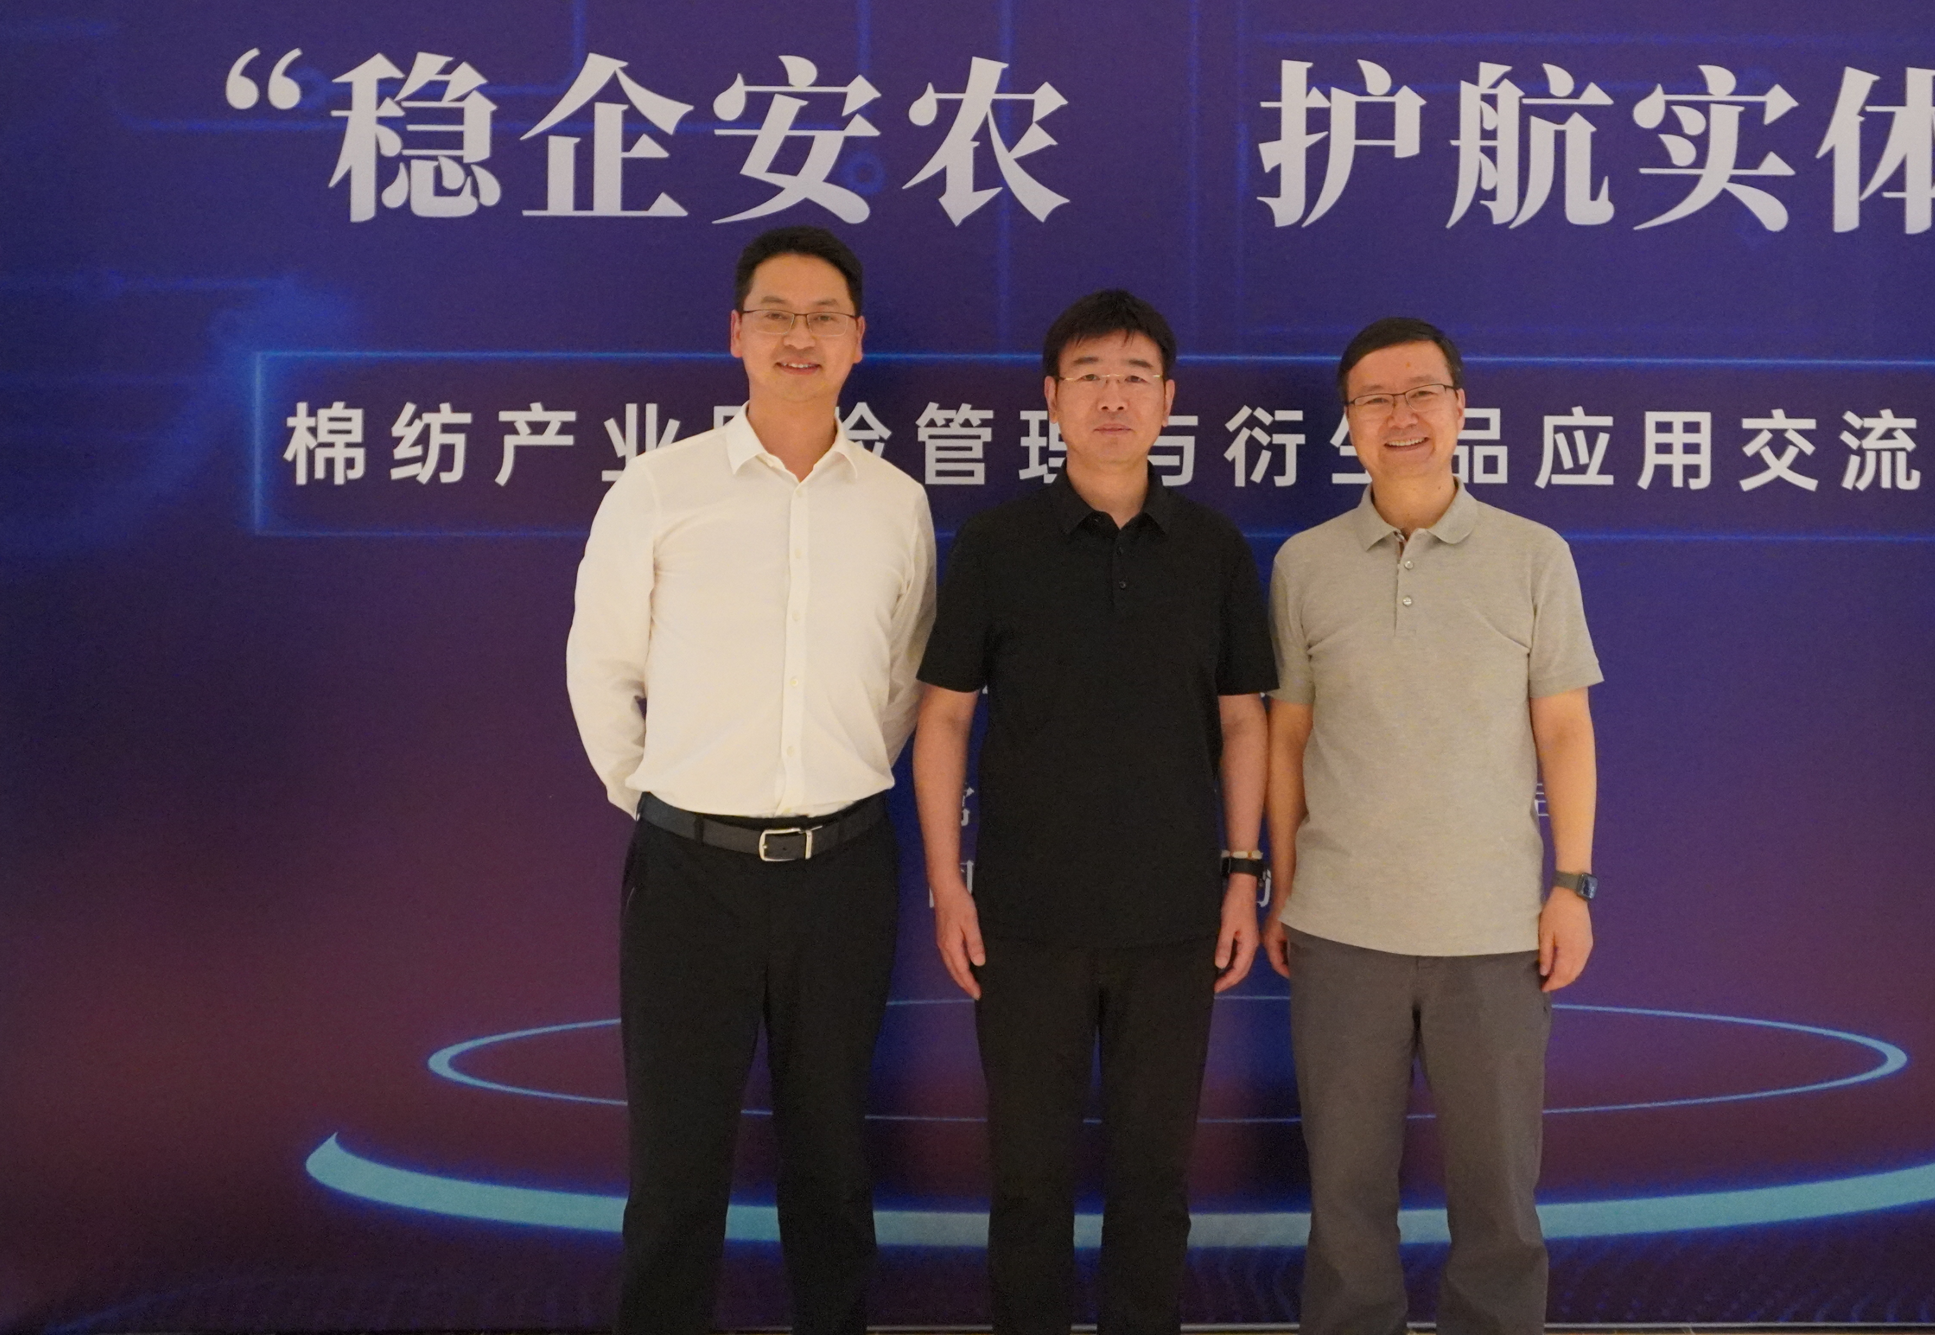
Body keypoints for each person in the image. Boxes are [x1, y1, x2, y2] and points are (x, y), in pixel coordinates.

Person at [566, 225, 937, 1335]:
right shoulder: (661, 486)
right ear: (735, 333)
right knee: (677, 1168)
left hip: (841, 870)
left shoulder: (895, 503)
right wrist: (654, 794)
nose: (798, 337)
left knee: (832, 1162)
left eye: (823, 317)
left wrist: (833, 778)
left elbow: (902, 681)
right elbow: (601, 663)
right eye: (775, 314)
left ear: (858, 340)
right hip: (690, 875)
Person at [910, 289, 1277, 1335]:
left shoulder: (1212, 547)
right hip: (1024, 921)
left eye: (1133, 376)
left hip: (1174, 921)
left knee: (1153, 1184)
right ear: (1051, 397)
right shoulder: (997, 543)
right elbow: (943, 718)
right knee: (1027, 1184)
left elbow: (1243, 721)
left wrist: (1241, 873)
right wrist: (945, 885)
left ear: (1168, 399)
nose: (1112, 397)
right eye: (1089, 376)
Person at [1262, 316, 1602, 1335]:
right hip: (1340, 931)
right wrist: (1286, 889)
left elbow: (1565, 729)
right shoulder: (1304, 564)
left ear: (1459, 408)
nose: (1399, 414)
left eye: (1420, 393)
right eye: (1374, 398)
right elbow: (1287, 738)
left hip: (1493, 935)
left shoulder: (1533, 555)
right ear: (1349, 423)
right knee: (1344, 1205)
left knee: (1498, 1206)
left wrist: (1572, 885)